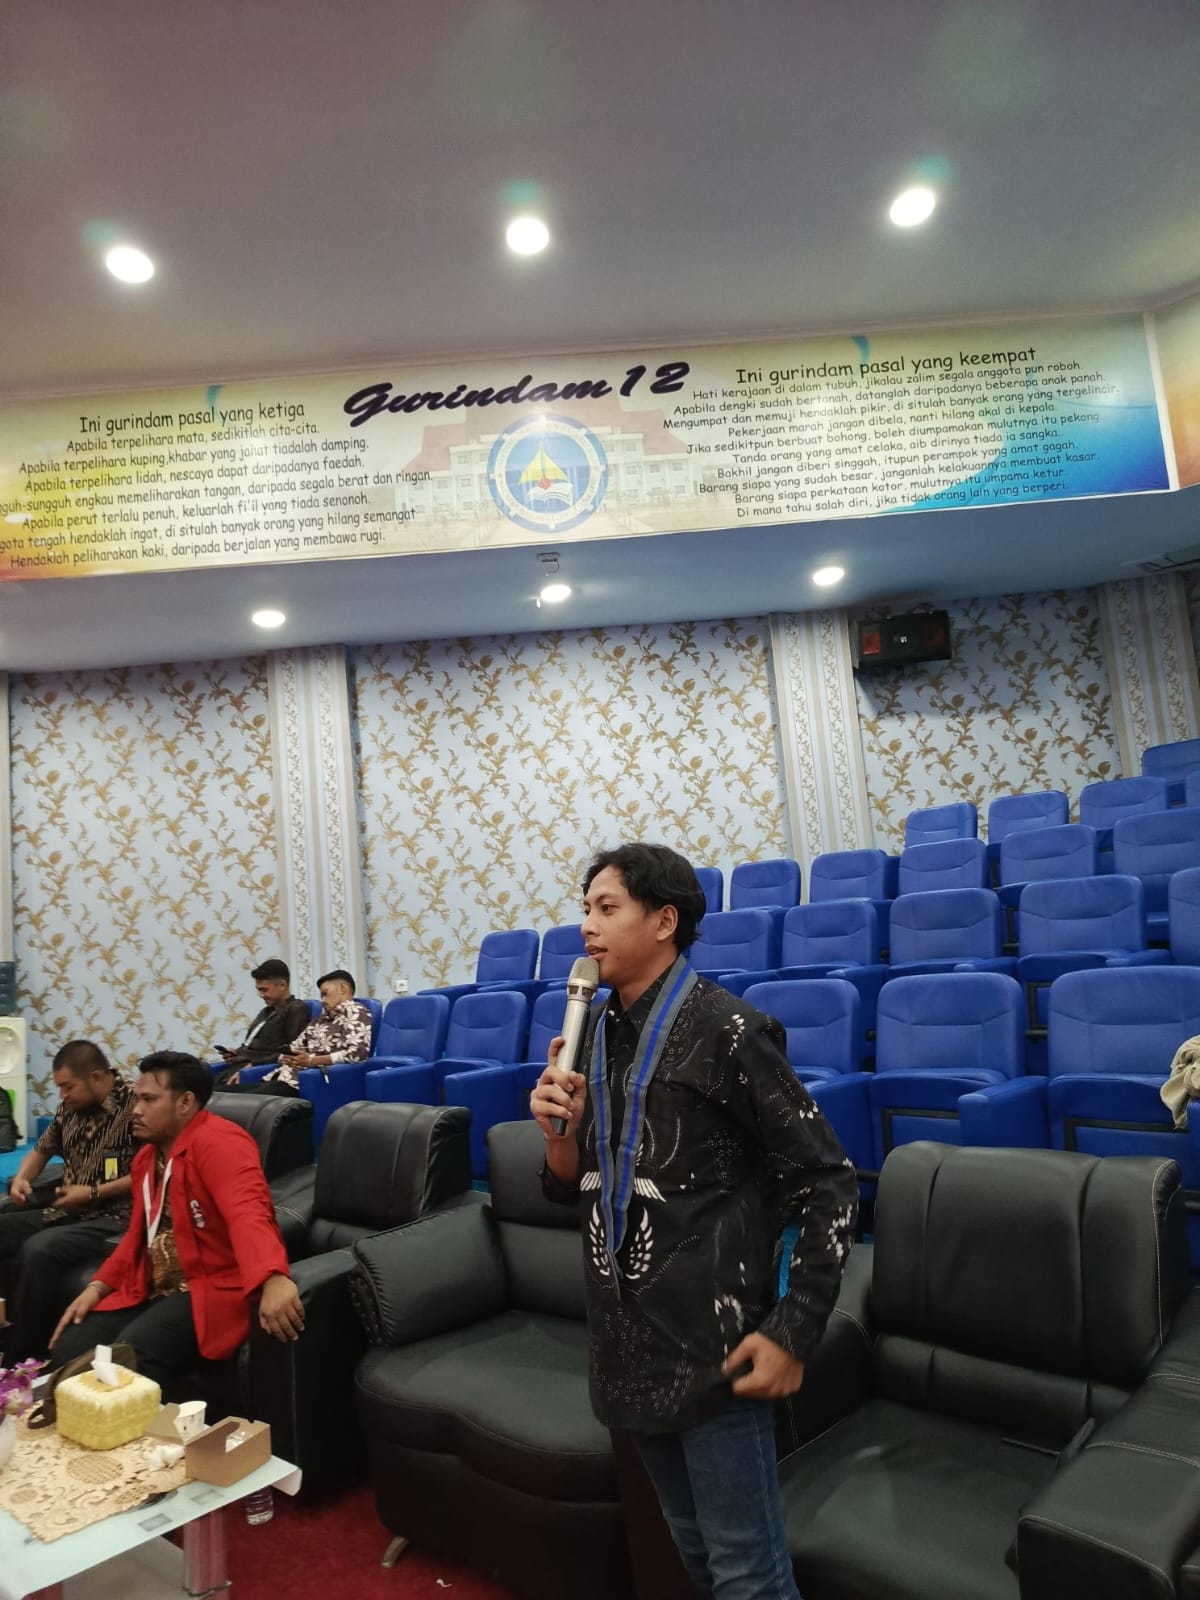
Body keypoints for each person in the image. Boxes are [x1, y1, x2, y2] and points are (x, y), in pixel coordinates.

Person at [531, 844, 858, 1600]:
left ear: (664, 920)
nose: (586, 927)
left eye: (607, 908)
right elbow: (574, 1187)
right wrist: (557, 1139)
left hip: (714, 1350)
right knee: (695, 1553)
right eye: (585, 909)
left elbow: (827, 1179)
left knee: (748, 1573)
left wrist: (793, 1330)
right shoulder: (591, 1035)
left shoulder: (731, 1030)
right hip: (625, 1345)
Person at [50, 1051, 304, 1389]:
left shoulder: (220, 1143)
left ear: (185, 1102)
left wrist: (272, 1276)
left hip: (209, 1288)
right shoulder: (146, 1159)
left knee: (130, 1356)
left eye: (149, 1099)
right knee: (71, 1347)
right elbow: (137, 1237)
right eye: (137, 1098)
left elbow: (248, 1212)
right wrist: (98, 1287)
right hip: (154, 1285)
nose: (136, 1110)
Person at [0, 1040, 136, 1359]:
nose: (62, 1094)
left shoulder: (136, 1107)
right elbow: (42, 1150)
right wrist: (22, 1179)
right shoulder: (71, 1107)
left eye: (68, 1086)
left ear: (96, 1076)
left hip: (114, 1217)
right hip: (66, 1209)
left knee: (39, 1249)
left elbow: (150, 1172)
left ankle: (24, 1360)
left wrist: (92, 1193)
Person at [222, 969, 372, 1097]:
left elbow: (357, 1053)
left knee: (243, 1102)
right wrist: (289, 1055)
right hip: (282, 1076)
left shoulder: (355, 1011)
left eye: (325, 994)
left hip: (306, 1081)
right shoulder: (320, 1019)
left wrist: (312, 1061)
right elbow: (295, 1046)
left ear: (343, 989)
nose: (322, 1000)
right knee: (222, 1094)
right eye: (321, 996)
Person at [213, 958, 312, 1085]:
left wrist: (253, 1065)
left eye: (264, 990)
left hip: (259, 1073)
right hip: (238, 1067)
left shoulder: (296, 1010)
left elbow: (291, 1053)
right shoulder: (266, 1012)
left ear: (282, 985)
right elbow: (255, 1046)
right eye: (259, 990)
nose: (261, 995)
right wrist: (237, 1053)